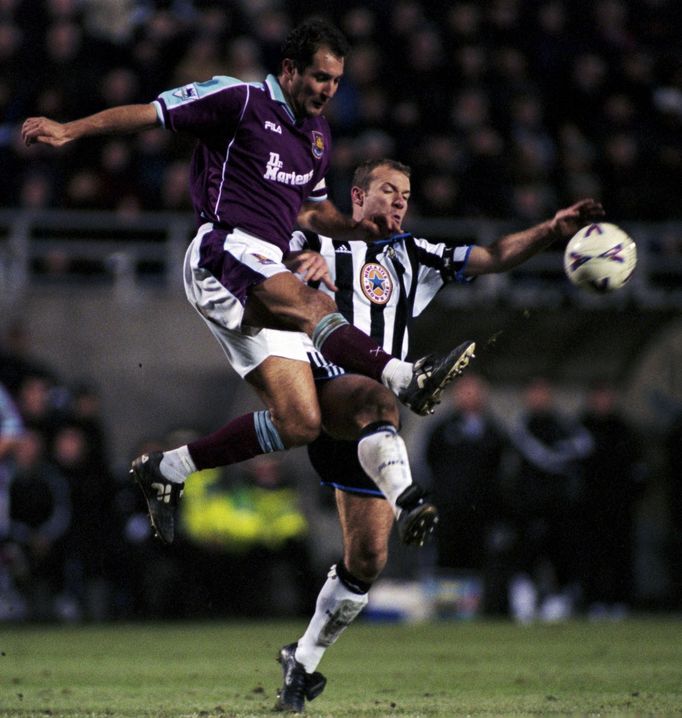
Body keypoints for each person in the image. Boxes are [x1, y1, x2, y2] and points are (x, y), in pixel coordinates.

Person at [21, 19, 473, 549]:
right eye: (320, 78)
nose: (328, 90)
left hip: (265, 265)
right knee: (311, 302)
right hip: (223, 250)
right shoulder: (236, 99)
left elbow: (310, 210)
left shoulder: (319, 136)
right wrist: (71, 129)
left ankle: (167, 469)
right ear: (288, 70)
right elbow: (150, 113)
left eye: (336, 81)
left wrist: (353, 227)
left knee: (301, 422)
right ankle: (403, 378)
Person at [271, 159, 604, 711]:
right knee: (379, 396)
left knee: (366, 564)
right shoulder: (315, 236)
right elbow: (265, 265)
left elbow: (493, 256)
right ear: (355, 197)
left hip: (371, 436)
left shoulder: (413, 254)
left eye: (405, 193)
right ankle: (410, 498)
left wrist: (550, 230)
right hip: (326, 397)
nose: (399, 201)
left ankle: (301, 662)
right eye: (387, 190)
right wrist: (291, 265)